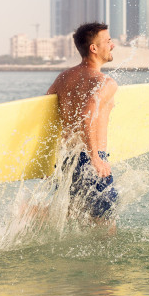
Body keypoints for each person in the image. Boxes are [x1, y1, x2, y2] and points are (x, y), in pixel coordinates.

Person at [46, 22, 118, 233]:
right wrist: (95, 156)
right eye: (108, 41)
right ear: (93, 48)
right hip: (90, 158)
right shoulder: (105, 82)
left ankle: (30, 212)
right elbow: (87, 113)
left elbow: (47, 117)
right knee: (107, 224)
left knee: (73, 213)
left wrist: (47, 161)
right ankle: (105, 266)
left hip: (67, 158)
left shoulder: (63, 78)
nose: (112, 46)